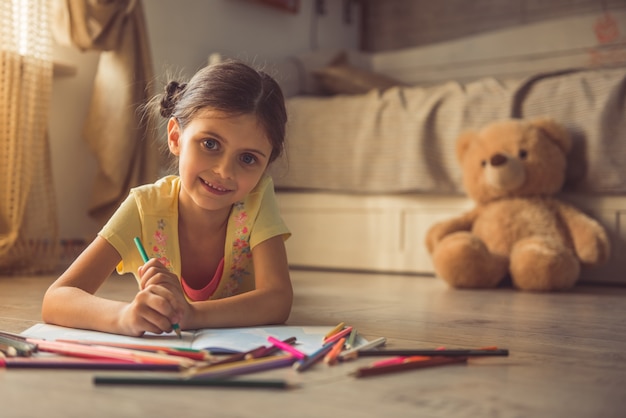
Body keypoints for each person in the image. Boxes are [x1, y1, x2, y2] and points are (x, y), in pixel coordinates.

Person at [42, 60, 293, 337]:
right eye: (210, 144)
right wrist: (124, 317)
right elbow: (57, 298)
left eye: (248, 158)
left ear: (266, 165)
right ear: (175, 137)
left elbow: (277, 300)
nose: (224, 171)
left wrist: (192, 314)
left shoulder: (257, 199)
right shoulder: (144, 207)